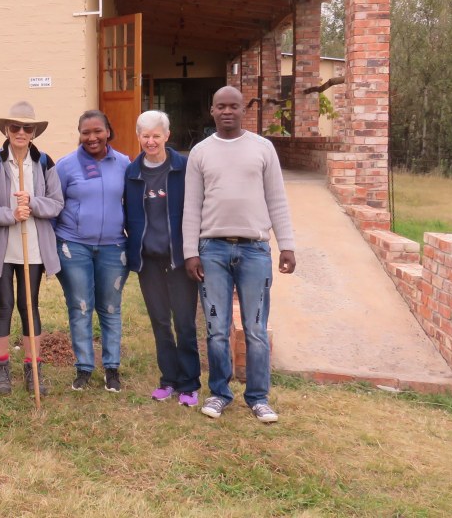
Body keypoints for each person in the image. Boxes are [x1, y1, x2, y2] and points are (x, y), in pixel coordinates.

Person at [182, 86, 297, 424]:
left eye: (234, 106)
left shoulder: (263, 149)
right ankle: (219, 393)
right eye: (221, 106)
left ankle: (258, 397)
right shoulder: (200, 153)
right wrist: (191, 252)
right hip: (212, 249)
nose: (227, 111)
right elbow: (192, 206)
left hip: (255, 250)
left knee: (256, 328)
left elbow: (277, 199)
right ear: (212, 110)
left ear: (243, 109)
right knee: (217, 328)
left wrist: (286, 244)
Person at [0, 101, 64, 397]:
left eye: (27, 128)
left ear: (34, 132)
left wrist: (32, 204)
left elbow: (56, 203)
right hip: (1, 247)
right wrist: (10, 214)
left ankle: (32, 367)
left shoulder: (44, 162)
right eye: (15, 127)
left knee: (29, 305)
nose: (21, 132)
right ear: (6, 130)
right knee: (3, 305)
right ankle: (0, 367)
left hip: (33, 248)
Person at [124, 110, 200, 407]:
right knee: (160, 322)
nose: (151, 141)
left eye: (156, 135)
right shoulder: (132, 174)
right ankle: (168, 380)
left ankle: (190, 384)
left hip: (180, 260)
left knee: (184, 322)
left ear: (167, 136)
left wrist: (194, 252)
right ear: (138, 137)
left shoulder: (184, 168)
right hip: (149, 262)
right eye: (145, 135)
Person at [54, 110, 131, 393]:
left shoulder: (124, 163)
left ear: (108, 131)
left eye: (98, 131)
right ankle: (84, 367)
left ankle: (112, 368)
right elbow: (54, 207)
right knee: (81, 307)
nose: (92, 137)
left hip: (113, 247)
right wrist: (53, 245)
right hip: (74, 246)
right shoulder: (65, 166)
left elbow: (132, 205)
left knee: (110, 308)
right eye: (86, 132)